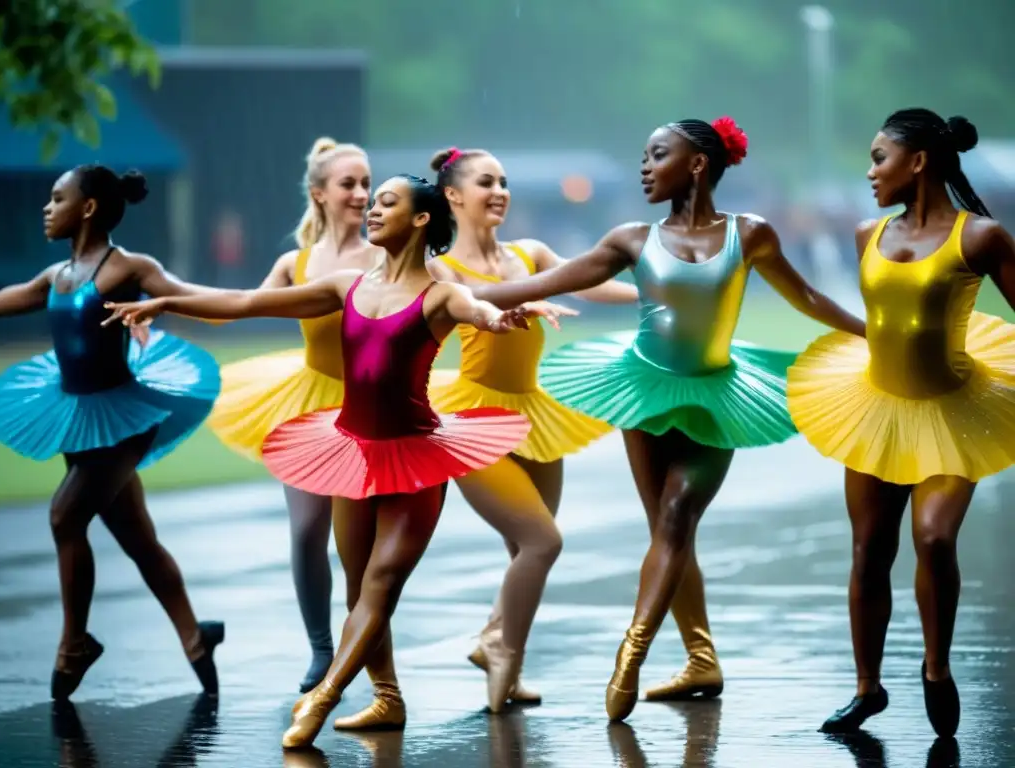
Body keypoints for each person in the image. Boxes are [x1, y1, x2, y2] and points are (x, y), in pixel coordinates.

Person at [101, 173, 572, 749]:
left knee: (380, 583)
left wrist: (499, 319)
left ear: (421, 220)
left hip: (417, 458)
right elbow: (248, 303)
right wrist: (172, 300)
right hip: (351, 451)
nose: (372, 211)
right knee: (356, 591)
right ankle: (387, 698)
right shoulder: (346, 285)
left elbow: (477, 309)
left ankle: (320, 699)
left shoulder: (440, 294)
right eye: (372, 202)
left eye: (387, 203)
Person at [463, 117, 865, 722]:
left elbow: (806, 297)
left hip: (715, 395)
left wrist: (870, 332)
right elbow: (548, 281)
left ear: (698, 163)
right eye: (644, 157)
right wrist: (445, 300)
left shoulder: (751, 235)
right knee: (667, 533)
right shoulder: (631, 238)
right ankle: (701, 658)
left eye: (657, 155)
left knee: (676, 518)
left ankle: (631, 654)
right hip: (644, 392)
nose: (645, 167)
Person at [787, 108, 1015, 738]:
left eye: (879, 157)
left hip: (954, 409)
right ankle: (867, 688)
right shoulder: (868, 234)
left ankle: (936, 668)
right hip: (876, 407)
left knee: (935, 539)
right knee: (868, 552)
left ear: (917, 162)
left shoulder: (981, 237)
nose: (869, 171)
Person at [0, 165, 225, 700]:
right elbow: (1, 301)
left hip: (122, 420)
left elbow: (184, 294)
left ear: (88, 207)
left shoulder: (128, 268)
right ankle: (195, 637)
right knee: (137, 538)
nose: (47, 208)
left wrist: (255, 302)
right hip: (75, 416)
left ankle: (75, 642)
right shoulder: (57, 276)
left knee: (64, 514)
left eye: (57, 198)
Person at [422, 146, 637, 711]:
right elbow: (468, 301)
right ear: (453, 195)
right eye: (486, 182)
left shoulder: (531, 252)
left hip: (534, 415)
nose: (500, 191)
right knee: (545, 542)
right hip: (471, 419)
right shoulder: (439, 267)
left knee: (524, 546)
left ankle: (502, 649)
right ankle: (501, 650)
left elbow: (587, 283)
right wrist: (532, 295)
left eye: (504, 181)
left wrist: (655, 295)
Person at [206, 138, 385, 698]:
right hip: (307, 405)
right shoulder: (296, 263)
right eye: (348, 184)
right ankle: (320, 647)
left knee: (362, 542)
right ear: (320, 194)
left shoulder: (387, 253)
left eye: (365, 183)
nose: (361, 194)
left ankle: (368, 648)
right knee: (309, 530)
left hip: (369, 407)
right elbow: (240, 307)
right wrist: (163, 309)